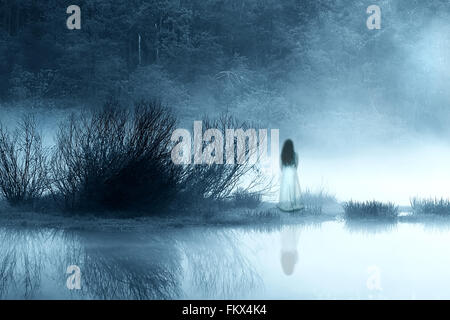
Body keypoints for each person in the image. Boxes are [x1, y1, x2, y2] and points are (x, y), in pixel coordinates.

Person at [277, 139, 304, 212]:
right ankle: (294, 205)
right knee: (293, 189)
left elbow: (281, 166)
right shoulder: (295, 154)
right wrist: (293, 170)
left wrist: (284, 171)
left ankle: (286, 205)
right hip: (292, 171)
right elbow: (296, 164)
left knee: (286, 189)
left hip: (285, 172)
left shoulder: (282, 155)